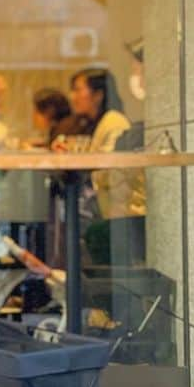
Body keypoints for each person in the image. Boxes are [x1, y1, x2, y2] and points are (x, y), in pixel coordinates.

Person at [67, 66, 145, 264]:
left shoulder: (114, 122)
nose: (73, 96)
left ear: (98, 94)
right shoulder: (100, 122)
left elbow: (113, 170)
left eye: (78, 89)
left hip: (122, 216)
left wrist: (82, 160)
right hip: (112, 212)